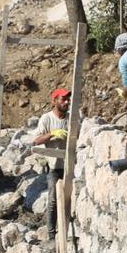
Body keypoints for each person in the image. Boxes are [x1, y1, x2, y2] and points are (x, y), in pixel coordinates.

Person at [33, 89, 71, 237]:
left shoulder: (71, 118)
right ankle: (51, 234)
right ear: (54, 101)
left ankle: (66, 231)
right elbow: (36, 140)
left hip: (70, 166)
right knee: (53, 200)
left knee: (70, 199)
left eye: (68, 99)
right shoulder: (47, 119)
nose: (67, 102)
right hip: (54, 167)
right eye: (63, 99)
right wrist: (53, 134)